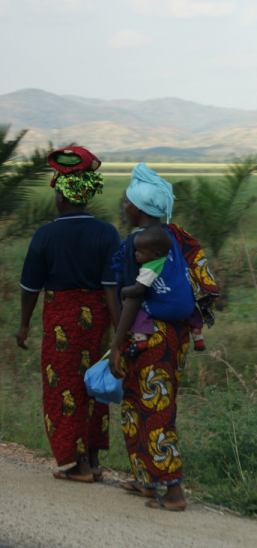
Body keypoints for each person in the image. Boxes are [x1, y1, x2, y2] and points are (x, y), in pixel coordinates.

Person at [109, 163, 219, 510]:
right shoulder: (177, 236)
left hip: (147, 336)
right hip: (178, 336)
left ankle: (173, 493)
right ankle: (147, 480)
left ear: (139, 208)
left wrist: (115, 343)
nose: (123, 207)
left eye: (126, 201)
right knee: (145, 403)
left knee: (151, 409)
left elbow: (133, 297)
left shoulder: (136, 244)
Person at [16, 146, 121, 483]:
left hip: (61, 318)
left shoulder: (45, 234)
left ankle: (77, 468)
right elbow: (110, 287)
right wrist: (119, 332)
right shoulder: (107, 233)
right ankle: (92, 460)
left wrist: (23, 325)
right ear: (86, 197)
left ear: (61, 198)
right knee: (93, 385)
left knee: (63, 388)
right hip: (98, 320)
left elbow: (30, 287)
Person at [121, 227, 206, 358]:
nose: (135, 254)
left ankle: (141, 339)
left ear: (155, 255)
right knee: (187, 299)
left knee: (138, 304)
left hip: (168, 311)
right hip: (187, 310)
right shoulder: (173, 259)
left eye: (140, 252)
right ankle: (198, 337)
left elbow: (138, 289)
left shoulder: (149, 268)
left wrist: (123, 290)